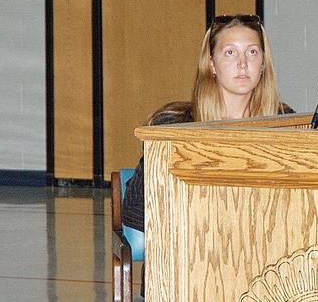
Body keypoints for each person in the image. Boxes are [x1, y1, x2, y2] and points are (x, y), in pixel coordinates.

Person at [121, 14, 288, 231]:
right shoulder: (173, 125)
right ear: (212, 65)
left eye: (252, 52)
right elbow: (135, 209)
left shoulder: (286, 125)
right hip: (189, 251)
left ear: (263, 64)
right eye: (230, 53)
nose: (243, 63)